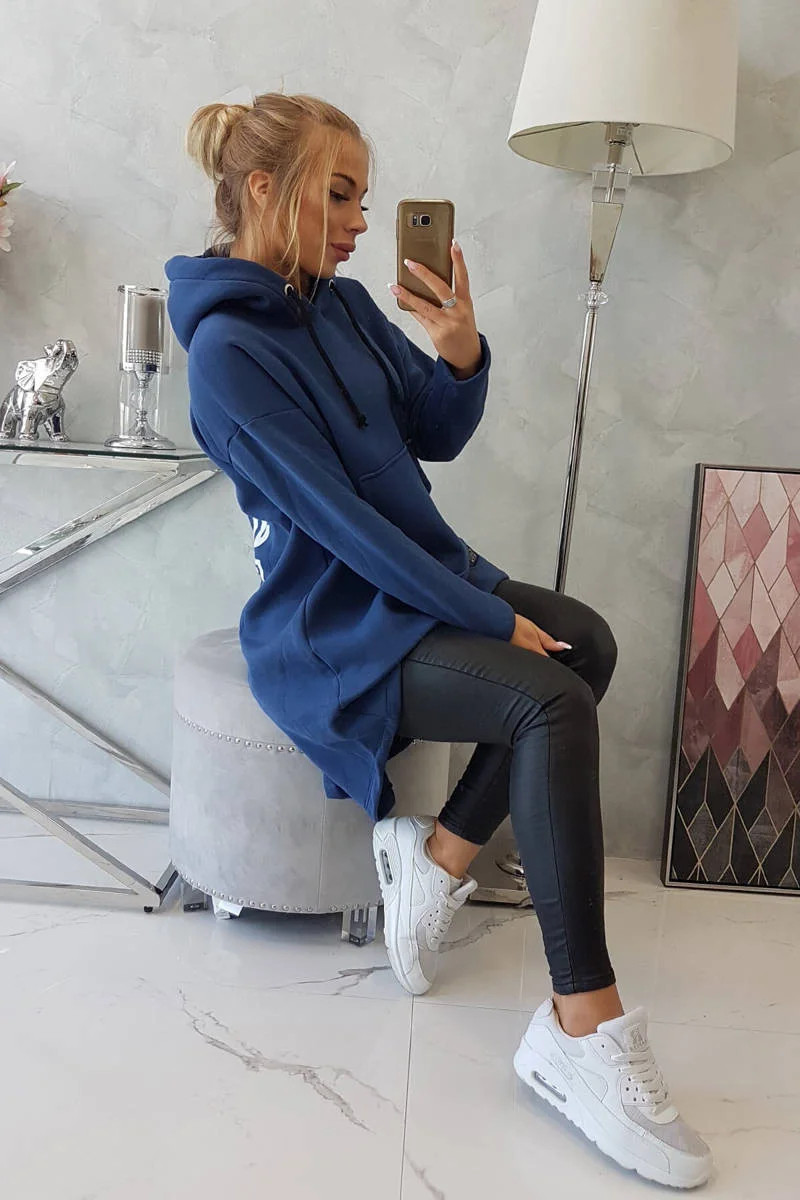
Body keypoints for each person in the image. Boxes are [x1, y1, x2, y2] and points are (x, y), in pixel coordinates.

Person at [165, 91, 711, 1190]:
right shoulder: (226, 352)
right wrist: (486, 616)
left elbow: (435, 433)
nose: (361, 221)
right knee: (548, 697)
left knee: (587, 646)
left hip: (415, 585)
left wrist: (459, 356)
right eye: (339, 195)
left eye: (364, 198)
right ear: (264, 190)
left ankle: (436, 860)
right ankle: (580, 1028)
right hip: (332, 626)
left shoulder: (342, 305)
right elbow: (345, 530)